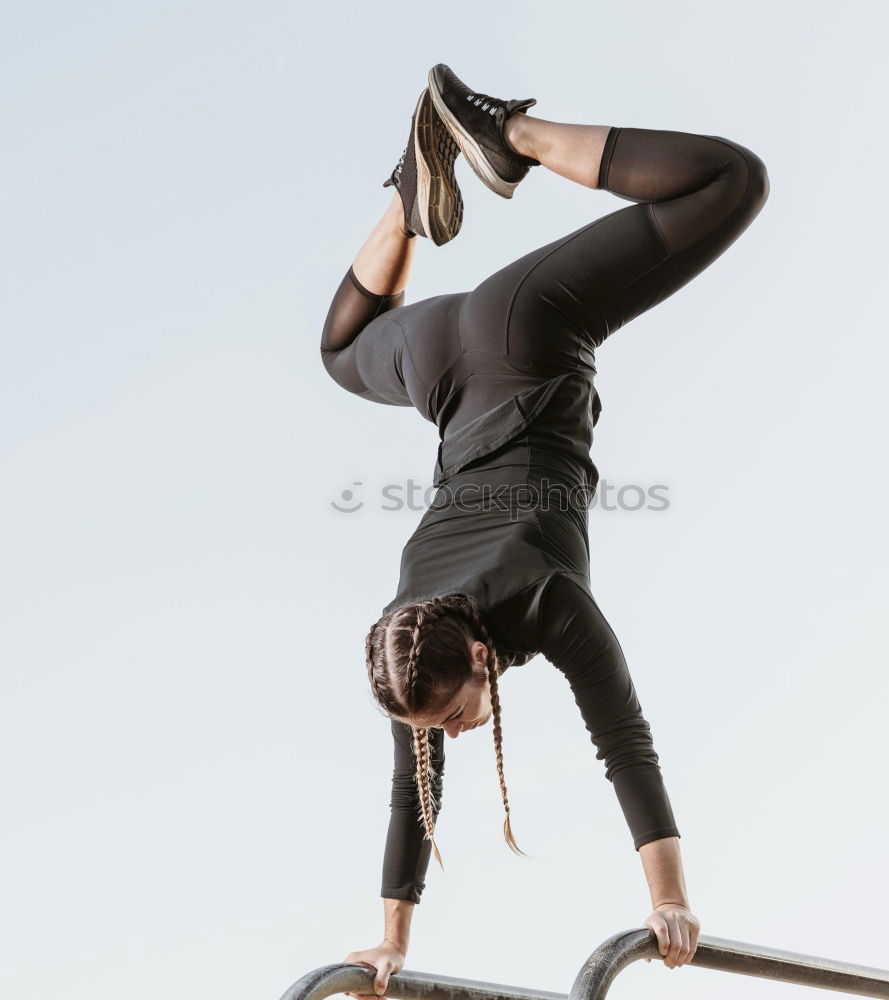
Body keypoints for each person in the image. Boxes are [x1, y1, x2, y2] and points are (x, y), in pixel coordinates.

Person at [322, 64, 770, 1000]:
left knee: (730, 181)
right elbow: (416, 790)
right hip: (443, 367)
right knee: (339, 350)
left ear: (482, 655)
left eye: (446, 716)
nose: (443, 734)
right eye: (434, 724)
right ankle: (411, 195)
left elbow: (624, 740)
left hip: (527, 334)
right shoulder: (408, 642)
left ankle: (506, 134)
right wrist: (389, 941)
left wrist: (672, 901)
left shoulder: (544, 601)